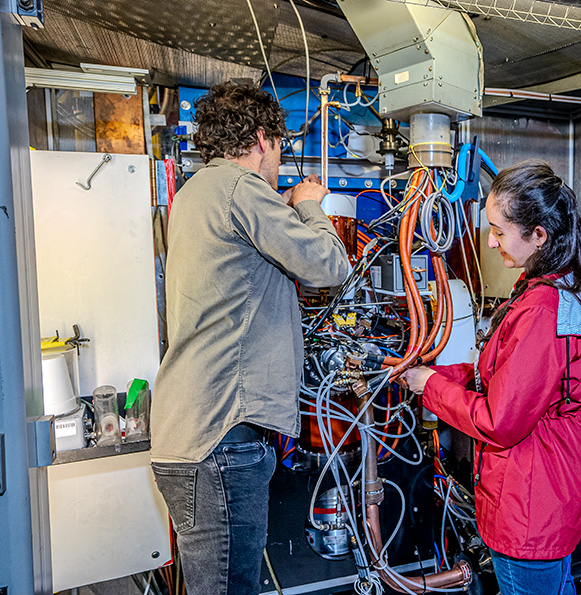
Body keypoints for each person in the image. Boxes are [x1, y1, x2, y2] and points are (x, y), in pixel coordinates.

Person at [149, 82, 350, 595]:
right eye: (279, 149)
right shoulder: (241, 190)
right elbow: (328, 266)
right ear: (262, 139)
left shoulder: (196, 193)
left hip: (196, 436)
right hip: (222, 441)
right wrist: (307, 205)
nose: (278, 162)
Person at [401, 160, 581, 595]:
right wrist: (437, 374)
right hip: (547, 491)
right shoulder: (551, 287)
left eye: (500, 231)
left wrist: (431, 388)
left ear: (538, 235)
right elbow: (507, 374)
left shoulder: (541, 310)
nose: (491, 241)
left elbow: (499, 421)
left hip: (530, 506)